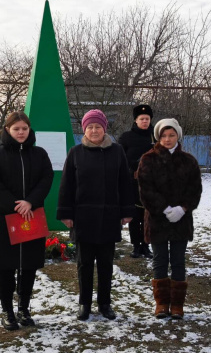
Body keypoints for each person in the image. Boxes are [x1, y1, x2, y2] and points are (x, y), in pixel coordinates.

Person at [57, 109, 134, 321]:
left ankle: (105, 303)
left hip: (109, 217)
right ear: (84, 129)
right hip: (83, 217)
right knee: (84, 264)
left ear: (104, 129)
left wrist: (127, 211)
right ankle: (84, 304)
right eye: (90, 127)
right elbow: (66, 186)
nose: (94, 130)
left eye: (98, 126)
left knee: (106, 264)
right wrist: (66, 213)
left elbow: (125, 183)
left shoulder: (117, 151)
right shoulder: (76, 152)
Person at [0, 111, 54, 331]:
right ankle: (7, 311)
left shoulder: (40, 154)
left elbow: (46, 179)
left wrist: (30, 202)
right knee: (6, 267)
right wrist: (17, 205)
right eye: (16, 129)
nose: (21, 132)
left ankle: (24, 308)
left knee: (29, 266)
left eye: (24, 128)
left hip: (31, 215)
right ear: (7, 130)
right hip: (5, 216)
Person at [138, 118, 202, 320]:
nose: (167, 139)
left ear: (178, 136)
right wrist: (164, 208)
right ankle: (162, 303)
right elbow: (145, 190)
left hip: (181, 220)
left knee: (178, 261)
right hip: (157, 219)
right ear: (158, 137)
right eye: (164, 135)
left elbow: (195, 190)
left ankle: (177, 305)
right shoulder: (148, 159)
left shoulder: (189, 161)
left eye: (171, 135)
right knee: (159, 260)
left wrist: (182, 209)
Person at [118, 104, 155, 259]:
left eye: (147, 119)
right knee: (134, 215)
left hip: (151, 183)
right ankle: (136, 246)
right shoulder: (126, 137)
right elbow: (120, 158)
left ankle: (146, 245)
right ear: (136, 120)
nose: (145, 121)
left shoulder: (155, 136)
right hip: (132, 182)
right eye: (142, 119)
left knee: (148, 215)